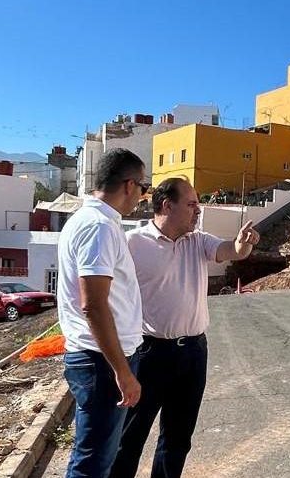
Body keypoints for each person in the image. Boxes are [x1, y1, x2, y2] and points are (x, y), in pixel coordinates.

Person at [111, 177, 260, 478]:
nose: (198, 210)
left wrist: (243, 244)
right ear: (168, 205)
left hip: (193, 352)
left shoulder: (199, 241)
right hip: (149, 352)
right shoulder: (133, 244)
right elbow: (112, 296)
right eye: (191, 204)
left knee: (178, 438)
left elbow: (231, 250)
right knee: (129, 437)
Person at [57, 148, 149, 478]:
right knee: (94, 464)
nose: (143, 196)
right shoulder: (100, 227)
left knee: (95, 457)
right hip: (102, 362)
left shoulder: (90, 221)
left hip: (99, 358)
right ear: (128, 185)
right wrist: (122, 373)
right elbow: (94, 304)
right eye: (143, 186)